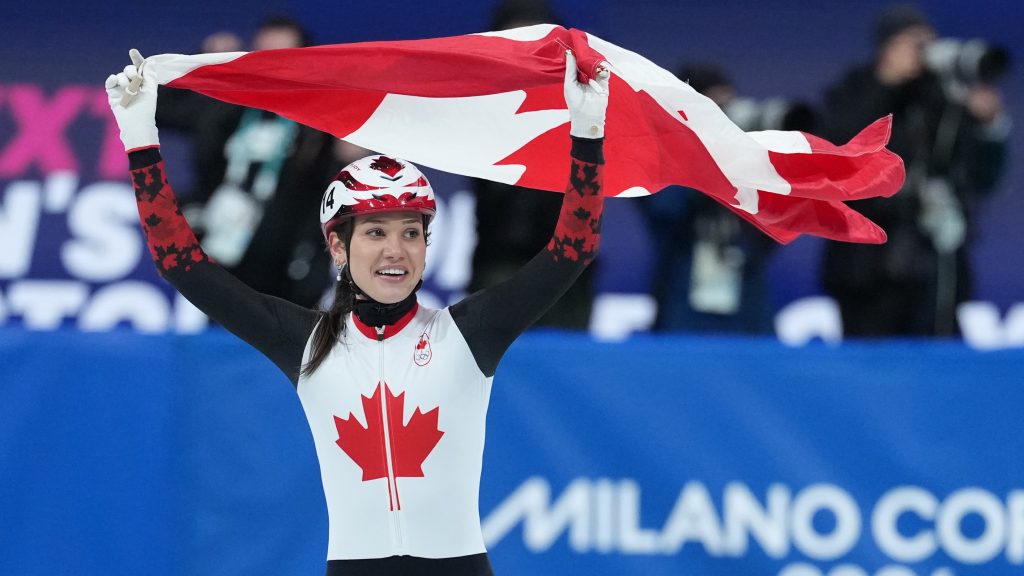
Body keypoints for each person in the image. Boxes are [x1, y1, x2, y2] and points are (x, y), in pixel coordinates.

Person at [106, 47, 609, 575]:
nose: (396, 250)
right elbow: (182, 265)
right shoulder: (307, 343)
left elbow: (571, 251)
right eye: (375, 233)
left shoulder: (467, 334)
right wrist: (140, 139)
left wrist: (588, 133)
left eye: (411, 233)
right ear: (338, 248)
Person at [820, 4, 1009, 337]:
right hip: (868, 269)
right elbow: (840, 149)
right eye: (913, 44)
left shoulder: (941, 100)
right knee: (873, 371)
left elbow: (981, 177)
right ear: (886, 48)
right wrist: (887, 82)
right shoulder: (856, 88)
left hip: (933, 263)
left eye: (928, 44)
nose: (923, 55)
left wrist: (988, 126)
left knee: (937, 360)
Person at [156, 16, 338, 308]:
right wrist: (197, 61)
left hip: (285, 263)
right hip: (222, 251)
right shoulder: (225, 104)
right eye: (262, 56)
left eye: (283, 58)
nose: (272, 67)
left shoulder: (318, 119)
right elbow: (159, 107)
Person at [468, 0, 597, 329]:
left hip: (568, 265)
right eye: (515, 40)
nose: (526, 50)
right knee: (490, 357)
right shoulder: (480, 99)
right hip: (500, 261)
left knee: (564, 365)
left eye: (535, 39)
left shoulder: (584, 97)